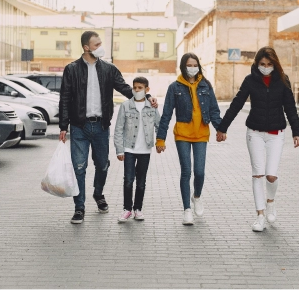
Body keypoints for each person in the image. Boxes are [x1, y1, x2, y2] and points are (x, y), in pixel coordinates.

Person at [59, 31, 156, 224]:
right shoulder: (71, 69)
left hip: (101, 126)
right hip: (79, 126)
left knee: (102, 165)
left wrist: (145, 97)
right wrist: (63, 125)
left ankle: (98, 193)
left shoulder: (109, 69)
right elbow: (65, 98)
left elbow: (126, 88)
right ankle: (79, 208)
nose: (100, 47)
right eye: (96, 44)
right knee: (79, 167)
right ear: (86, 47)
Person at [216, 47, 299, 232]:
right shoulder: (250, 80)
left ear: (275, 64)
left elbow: (290, 107)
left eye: (269, 64)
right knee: (257, 174)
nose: (266, 67)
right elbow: (237, 103)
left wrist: (297, 132)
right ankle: (260, 215)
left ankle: (270, 202)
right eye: (262, 64)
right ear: (257, 64)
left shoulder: (283, 80)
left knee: (271, 175)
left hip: (276, 134)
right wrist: (222, 128)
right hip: (254, 132)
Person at [156, 52, 222, 226]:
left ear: (199, 66)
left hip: (201, 134)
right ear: (183, 66)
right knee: (186, 171)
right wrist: (160, 138)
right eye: (189, 65)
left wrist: (220, 129)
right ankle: (186, 210)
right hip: (182, 134)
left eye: (195, 65)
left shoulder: (206, 85)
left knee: (199, 172)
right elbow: (167, 114)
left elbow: (214, 109)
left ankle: (196, 196)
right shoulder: (175, 87)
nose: (192, 68)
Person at [113, 76, 160, 223]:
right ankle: (127, 209)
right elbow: (118, 128)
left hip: (145, 150)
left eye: (140, 88)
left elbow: (159, 125)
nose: (137, 90)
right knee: (128, 180)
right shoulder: (126, 106)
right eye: (135, 88)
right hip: (129, 149)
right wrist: (119, 150)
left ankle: (138, 209)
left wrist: (160, 142)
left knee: (141, 181)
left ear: (147, 90)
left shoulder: (152, 107)